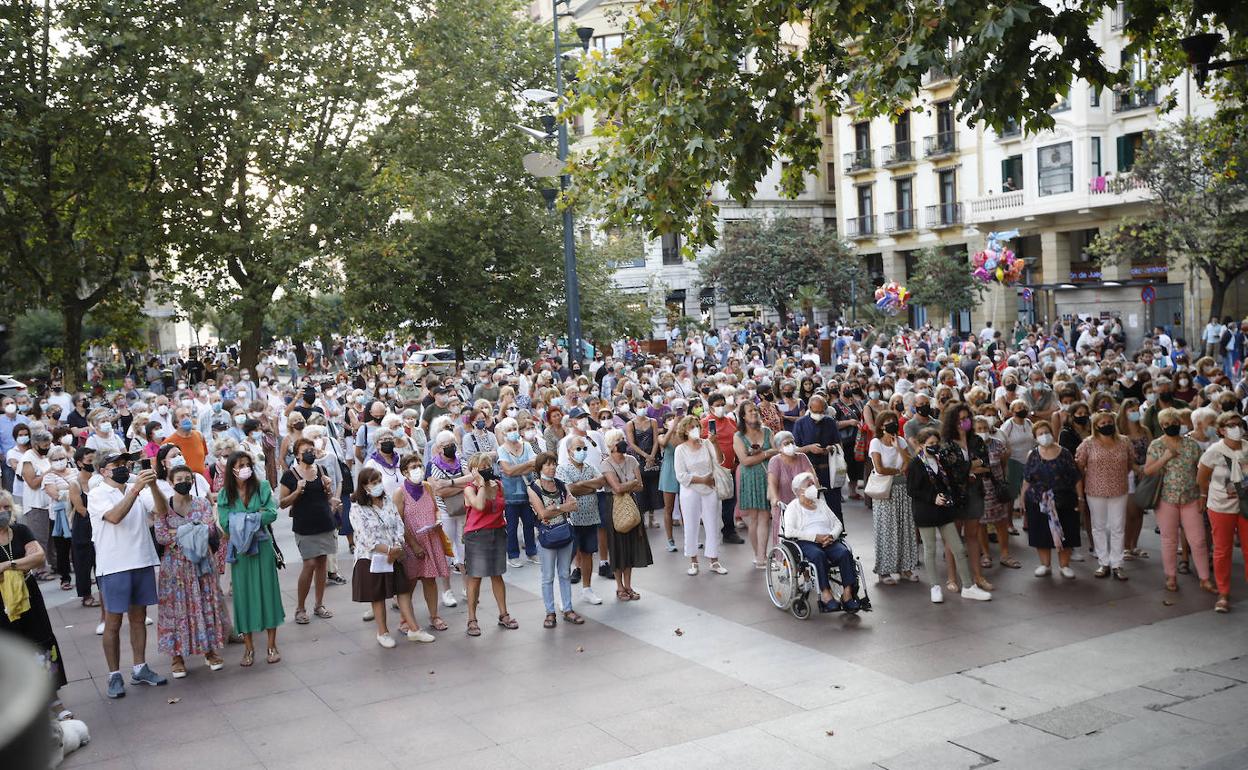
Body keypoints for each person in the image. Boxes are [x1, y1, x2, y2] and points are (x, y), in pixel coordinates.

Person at [87, 451, 169, 698]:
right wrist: (136, 489)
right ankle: (114, 675)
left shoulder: (139, 488)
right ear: (103, 471)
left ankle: (140, 667)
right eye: (117, 464)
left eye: (125, 463)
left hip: (141, 560)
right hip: (113, 565)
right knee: (113, 622)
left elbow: (162, 511)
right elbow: (114, 517)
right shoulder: (97, 493)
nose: (123, 467)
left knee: (138, 618)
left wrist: (152, 486)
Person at [0, 489, 72, 719]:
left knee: (40, 642)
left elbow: (38, 557)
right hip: (2, 604)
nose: (3, 512)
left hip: (29, 596)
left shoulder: (20, 531)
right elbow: (29, 560)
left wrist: (7, 566)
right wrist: (23, 563)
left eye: (7, 507)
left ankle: (52, 698)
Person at [153, 464, 227, 677]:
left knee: (205, 604)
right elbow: (162, 536)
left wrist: (178, 532)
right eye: (179, 479)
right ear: (170, 482)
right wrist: (192, 529)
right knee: (175, 610)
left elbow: (209, 529)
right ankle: (177, 657)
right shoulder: (163, 507)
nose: (184, 482)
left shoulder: (202, 503)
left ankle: (209, 651)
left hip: (201, 564)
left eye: (188, 479)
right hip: (174, 569)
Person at [906, 429, 992, 603]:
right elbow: (912, 490)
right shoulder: (916, 464)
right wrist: (932, 498)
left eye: (936, 443)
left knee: (958, 549)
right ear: (921, 445)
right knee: (930, 549)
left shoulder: (942, 461)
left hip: (944, 511)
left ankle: (968, 586)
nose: (934, 446)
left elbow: (951, 481)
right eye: (930, 444)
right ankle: (935, 587)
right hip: (925, 512)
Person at [217, 451, 284, 666]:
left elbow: (271, 513)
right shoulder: (225, 494)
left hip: (262, 547)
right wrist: (255, 518)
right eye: (240, 465)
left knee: (268, 593)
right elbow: (225, 524)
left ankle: (272, 645)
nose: (245, 468)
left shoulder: (262, 486)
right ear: (232, 469)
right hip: (240, 551)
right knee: (243, 596)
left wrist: (242, 520)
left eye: (248, 464)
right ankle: (248, 648)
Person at [350, 467, 424, 647]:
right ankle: (382, 632)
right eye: (373, 483)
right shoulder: (357, 508)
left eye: (379, 482)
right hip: (372, 558)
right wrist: (389, 550)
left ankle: (414, 629)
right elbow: (365, 537)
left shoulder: (387, 500)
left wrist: (398, 547)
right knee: (378, 595)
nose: (378, 486)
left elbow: (399, 524)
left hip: (394, 554)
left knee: (403, 590)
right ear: (364, 486)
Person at [1143, 408, 1213, 594]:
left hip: (1191, 497)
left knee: (1198, 540)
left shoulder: (1191, 445)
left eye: (1174, 423)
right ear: (1161, 426)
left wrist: (1203, 495)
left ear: (1180, 423)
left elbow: (1202, 472)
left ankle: (1204, 578)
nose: (1170, 426)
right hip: (1166, 499)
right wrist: (1165, 458)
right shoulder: (1157, 445)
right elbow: (1148, 471)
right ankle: (1171, 576)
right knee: (1169, 540)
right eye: (1166, 424)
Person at [782, 472, 861, 611]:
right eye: (809, 485)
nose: (813, 487)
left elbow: (838, 524)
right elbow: (789, 532)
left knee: (844, 553)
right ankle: (826, 594)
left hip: (828, 540)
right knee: (818, 555)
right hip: (806, 542)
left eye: (813, 484)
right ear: (799, 491)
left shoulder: (821, 503)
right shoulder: (793, 507)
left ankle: (847, 594)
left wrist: (831, 535)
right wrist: (815, 537)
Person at [280, 437, 338, 626]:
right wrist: (297, 492)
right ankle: (300, 607)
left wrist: (328, 489)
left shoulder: (321, 470)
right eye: (305, 451)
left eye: (312, 450)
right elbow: (282, 503)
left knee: (322, 563)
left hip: (324, 522)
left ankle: (319, 604)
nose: (310, 453)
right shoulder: (290, 475)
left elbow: (327, 497)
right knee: (310, 563)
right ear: (297, 454)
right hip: (304, 525)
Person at [936, 403, 994, 592]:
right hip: (954, 495)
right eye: (960, 419)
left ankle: (978, 577)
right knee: (953, 538)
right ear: (952, 422)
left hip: (975, 492)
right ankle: (952, 578)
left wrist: (966, 467)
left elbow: (986, 465)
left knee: (972, 536)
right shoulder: (946, 444)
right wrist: (971, 466)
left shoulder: (976, 440)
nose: (964, 422)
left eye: (966, 418)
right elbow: (951, 471)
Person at [1196, 411, 1248, 613]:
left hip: (1245, 506)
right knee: (1222, 550)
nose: (1237, 428)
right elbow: (1201, 478)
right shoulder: (1214, 451)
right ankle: (1223, 593)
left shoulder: (1247, 448)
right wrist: (1204, 496)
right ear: (1221, 430)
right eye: (1232, 425)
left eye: (1239, 424)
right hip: (1221, 507)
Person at [527, 452, 584, 628]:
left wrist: (555, 508)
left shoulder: (561, 484)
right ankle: (550, 612)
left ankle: (568, 609)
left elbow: (574, 506)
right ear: (540, 468)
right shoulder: (533, 488)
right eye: (548, 464)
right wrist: (561, 507)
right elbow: (542, 513)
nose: (552, 467)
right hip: (547, 536)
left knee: (565, 573)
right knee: (548, 576)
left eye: (554, 464)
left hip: (564, 532)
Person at [1075, 410, 1135, 580]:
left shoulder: (1124, 441)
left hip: (1119, 488)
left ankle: (1117, 564)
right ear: (1096, 426)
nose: (1107, 425)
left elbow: (1130, 463)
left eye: (1109, 422)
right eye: (1103, 423)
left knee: (1118, 526)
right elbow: (1079, 465)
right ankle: (1103, 562)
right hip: (1095, 490)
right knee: (1098, 526)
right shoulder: (1088, 443)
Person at [461, 452, 516, 636]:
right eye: (482, 467)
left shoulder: (498, 485)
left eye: (488, 466)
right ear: (474, 470)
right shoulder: (470, 489)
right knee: (475, 577)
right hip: (477, 536)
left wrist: (488, 484)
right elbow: (479, 505)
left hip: (497, 532)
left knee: (497, 574)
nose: (486, 469)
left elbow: (501, 506)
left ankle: (504, 614)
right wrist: (481, 484)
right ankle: (472, 619)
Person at [392, 454, 442, 639]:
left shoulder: (427, 487)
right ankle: (405, 620)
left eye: (420, 465)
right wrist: (414, 545)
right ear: (405, 471)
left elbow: (436, 508)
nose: (418, 469)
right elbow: (398, 521)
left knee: (430, 579)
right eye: (413, 467)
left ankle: (434, 616)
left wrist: (438, 519)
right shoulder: (400, 493)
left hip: (430, 539)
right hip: (411, 543)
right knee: (410, 582)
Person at [1022, 422, 1082, 578]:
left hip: (1064, 499)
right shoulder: (1033, 455)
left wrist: (1080, 497)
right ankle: (1045, 564)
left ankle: (1064, 565)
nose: (1044, 436)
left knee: (1066, 531)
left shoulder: (1065, 453)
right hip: (1038, 499)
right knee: (1041, 532)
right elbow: (1027, 479)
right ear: (1035, 438)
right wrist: (1022, 499)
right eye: (1040, 434)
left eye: (1046, 432)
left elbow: (1076, 477)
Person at [601, 428, 654, 600]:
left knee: (630, 545)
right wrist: (631, 484)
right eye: (618, 440)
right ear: (611, 445)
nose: (622, 442)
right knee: (618, 546)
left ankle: (629, 585)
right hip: (614, 506)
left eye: (622, 438)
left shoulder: (632, 460)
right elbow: (617, 488)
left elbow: (640, 486)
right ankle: (619, 587)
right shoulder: (606, 464)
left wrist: (626, 485)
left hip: (631, 504)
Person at [556, 434, 609, 604]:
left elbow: (600, 482)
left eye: (584, 448)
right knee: (567, 557)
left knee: (588, 553)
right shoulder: (562, 469)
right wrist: (587, 487)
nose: (582, 451)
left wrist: (579, 485)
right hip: (572, 519)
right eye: (578, 448)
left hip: (591, 517)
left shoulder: (590, 466)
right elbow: (569, 489)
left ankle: (587, 589)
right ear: (569, 451)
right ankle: (564, 595)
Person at [673, 415, 728, 576]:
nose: (695, 429)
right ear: (684, 430)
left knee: (713, 523)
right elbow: (681, 475)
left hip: (710, 488)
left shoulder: (707, 444)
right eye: (691, 427)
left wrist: (716, 443)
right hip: (690, 490)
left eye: (697, 426)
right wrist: (701, 479)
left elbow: (720, 460)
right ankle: (693, 560)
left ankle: (714, 560)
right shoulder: (680, 449)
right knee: (691, 524)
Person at [867, 410, 918, 584]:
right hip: (885, 490)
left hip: (903, 489)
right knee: (887, 529)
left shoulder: (901, 441)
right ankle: (884, 571)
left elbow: (909, 462)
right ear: (881, 426)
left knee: (905, 528)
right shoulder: (876, 443)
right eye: (887, 422)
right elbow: (879, 468)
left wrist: (898, 448)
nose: (891, 424)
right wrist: (898, 471)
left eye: (893, 421)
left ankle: (906, 568)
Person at [734, 401, 777, 568]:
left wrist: (762, 454)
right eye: (750, 411)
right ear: (743, 416)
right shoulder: (738, 436)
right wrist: (766, 453)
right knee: (753, 518)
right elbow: (745, 461)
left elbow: (777, 451)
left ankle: (763, 555)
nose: (754, 413)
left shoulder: (767, 431)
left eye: (756, 410)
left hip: (767, 477)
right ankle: (758, 555)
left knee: (765, 517)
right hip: (750, 478)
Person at [496, 417, 540, 568]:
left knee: (529, 524)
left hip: (527, 493)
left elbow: (534, 466)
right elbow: (507, 471)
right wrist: (525, 465)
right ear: (504, 433)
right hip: (510, 496)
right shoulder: (502, 450)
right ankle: (513, 555)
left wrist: (517, 469)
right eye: (509, 430)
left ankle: (531, 552)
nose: (512, 432)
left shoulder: (526, 446)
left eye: (514, 428)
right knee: (512, 526)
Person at [793, 393, 844, 520]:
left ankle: (839, 530)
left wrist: (830, 448)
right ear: (810, 408)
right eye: (816, 411)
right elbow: (795, 449)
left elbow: (838, 443)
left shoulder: (830, 422)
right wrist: (809, 448)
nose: (819, 414)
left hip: (828, 469)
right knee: (809, 506)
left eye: (821, 411)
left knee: (835, 506)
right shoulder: (800, 423)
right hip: (808, 472)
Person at [624, 399, 663, 530]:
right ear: (635, 409)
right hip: (639, 459)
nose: (643, 409)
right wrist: (646, 456)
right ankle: (643, 517)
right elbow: (631, 444)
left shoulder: (653, 422)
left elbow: (656, 440)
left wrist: (652, 456)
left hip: (653, 457)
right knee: (641, 489)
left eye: (644, 406)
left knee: (654, 489)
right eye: (640, 407)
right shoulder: (630, 424)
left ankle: (652, 517)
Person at [656, 411, 681, 552]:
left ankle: (690, 537)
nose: (673, 420)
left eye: (674, 418)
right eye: (669, 419)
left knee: (685, 507)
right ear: (665, 424)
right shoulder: (661, 436)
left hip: (682, 470)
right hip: (669, 472)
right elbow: (664, 443)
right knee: (668, 508)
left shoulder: (682, 436)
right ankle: (670, 539)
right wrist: (673, 427)